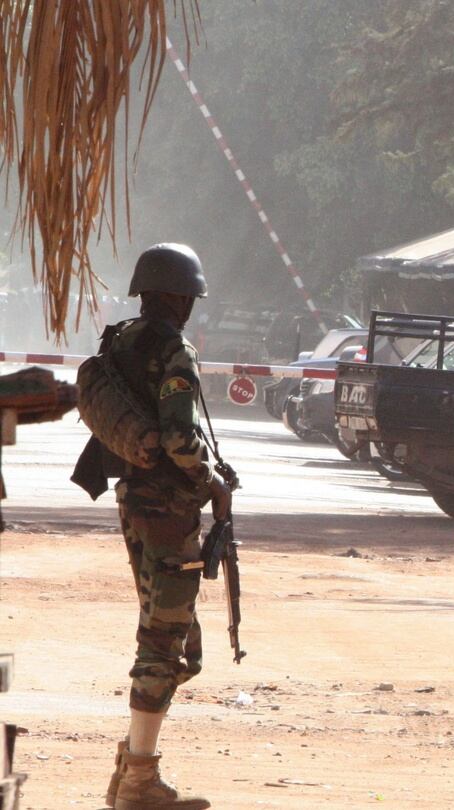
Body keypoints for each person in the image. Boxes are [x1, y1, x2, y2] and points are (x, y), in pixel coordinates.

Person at [98, 244, 230, 810]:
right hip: (168, 513)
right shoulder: (175, 350)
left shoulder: (121, 340)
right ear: (177, 296)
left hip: (133, 500)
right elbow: (179, 437)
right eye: (191, 298)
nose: (191, 308)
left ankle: (131, 767)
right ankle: (138, 782)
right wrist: (213, 482)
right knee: (165, 643)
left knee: (175, 642)